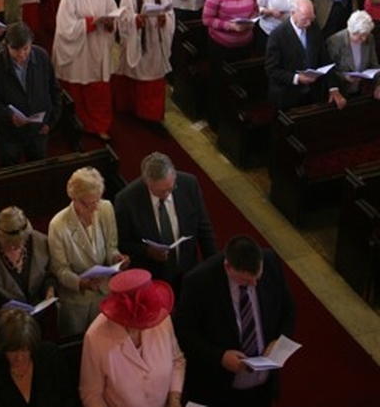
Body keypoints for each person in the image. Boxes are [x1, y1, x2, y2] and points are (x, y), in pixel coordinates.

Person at [175, 235, 295, 407]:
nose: (254, 284)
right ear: (228, 266)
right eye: (246, 281)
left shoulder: (271, 261)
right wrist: (220, 357)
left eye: (257, 277)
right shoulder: (198, 282)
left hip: (262, 387)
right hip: (219, 389)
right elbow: (185, 333)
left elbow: (288, 308)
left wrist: (280, 340)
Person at [79, 268, 184, 407]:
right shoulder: (95, 336)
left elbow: (177, 361)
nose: (146, 325)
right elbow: (91, 394)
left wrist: (174, 399)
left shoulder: (160, 316)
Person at [115, 152, 217, 290]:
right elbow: (123, 243)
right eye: (161, 191)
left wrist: (214, 267)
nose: (167, 195)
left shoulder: (189, 184)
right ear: (146, 182)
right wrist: (148, 251)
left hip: (187, 270)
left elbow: (204, 228)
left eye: (170, 188)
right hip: (153, 279)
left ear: (174, 175)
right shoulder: (126, 200)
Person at [48, 166, 129, 338]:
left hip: (104, 291)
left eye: (97, 201)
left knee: (104, 338)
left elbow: (111, 247)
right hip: (77, 300)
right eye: (89, 203)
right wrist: (82, 283)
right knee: (76, 343)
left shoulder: (106, 208)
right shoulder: (58, 225)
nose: (95, 208)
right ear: (74, 199)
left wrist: (117, 259)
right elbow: (60, 269)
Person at [52, 0, 118, 140]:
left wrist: (110, 22)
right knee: (80, 89)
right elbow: (65, 27)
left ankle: (100, 125)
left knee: (99, 90)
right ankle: (79, 123)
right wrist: (89, 23)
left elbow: (112, 10)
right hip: (80, 50)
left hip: (98, 44)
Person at [0, 21, 62, 166]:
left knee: (38, 171)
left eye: (26, 49)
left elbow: (54, 90)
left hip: (39, 131)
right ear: (6, 46)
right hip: (10, 135)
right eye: (16, 50)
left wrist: (51, 122)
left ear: (31, 43)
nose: (22, 55)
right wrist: (9, 116)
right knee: (10, 174)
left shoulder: (42, 56)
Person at [0, 206, 57, 333]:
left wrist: (50, 288)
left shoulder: (40, 241)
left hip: (40, 317)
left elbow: (50, 274)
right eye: (11, 245)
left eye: (21, 243)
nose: (17, 248)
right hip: (7, 326)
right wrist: (0, 311)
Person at [0, 308, 71, 407]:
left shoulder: (50, 355)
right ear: (2, 347)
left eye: (25, 350)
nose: (19, 357)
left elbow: (69, 399)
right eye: (12, 351)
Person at [113, 0, 175, 122]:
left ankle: (152, 115)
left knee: (154, 78)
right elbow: (124, 21)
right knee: (138, 76)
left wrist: (164, 18)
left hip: (156, 41)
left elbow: (169, 13)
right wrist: (137, 20)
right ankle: (135, 110)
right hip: (139, 42)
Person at [264, 0, 339, 111]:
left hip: (314, 92)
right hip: (288, 95)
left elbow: (325, 59)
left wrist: (333, 88)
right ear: (293, 13)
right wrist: (297, 78)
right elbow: (272, 70)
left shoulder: (314, 28)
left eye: (311, 19)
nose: (309, 23)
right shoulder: (277, 36)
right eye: (305, 19)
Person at [326, 10, 380, 100]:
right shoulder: (335, 41)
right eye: (360, 35)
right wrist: (344, 77)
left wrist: (379, 84)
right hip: (341, 92)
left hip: (361, 91)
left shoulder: (370, 39)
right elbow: (329, 71)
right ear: (351, 31)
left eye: (366, 35)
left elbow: (374, 65)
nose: (364, 39)